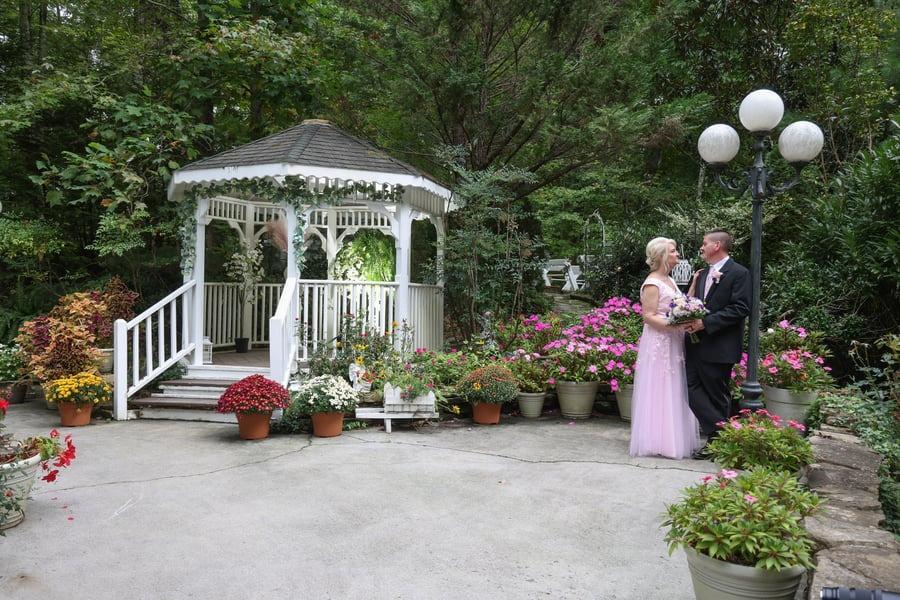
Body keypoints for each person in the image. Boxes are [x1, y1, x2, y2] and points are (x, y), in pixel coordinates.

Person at [629, 237, 701, 460]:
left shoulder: (668, 279)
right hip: (659, 342)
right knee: (660, 386)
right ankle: (657, 441)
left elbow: (678, 304)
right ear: (662, 256)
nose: (677, 254)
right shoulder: (652, 283)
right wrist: (677, 325)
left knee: (674, 386)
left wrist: (693, 288)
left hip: (674, 341)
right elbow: (649, 316)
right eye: (673, 251)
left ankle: (672, 439)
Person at [684, 229, 751, 459]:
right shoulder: (702, 274)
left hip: (720, 345)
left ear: (717, 245)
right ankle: (724, 432)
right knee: (688, 388)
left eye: (704, 243)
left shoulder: (739, 273)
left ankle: (716, 442)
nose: (701, 247)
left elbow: (741, 308)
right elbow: (695, 304)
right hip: (695, 344)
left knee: (716, 394)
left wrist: (705, 323)